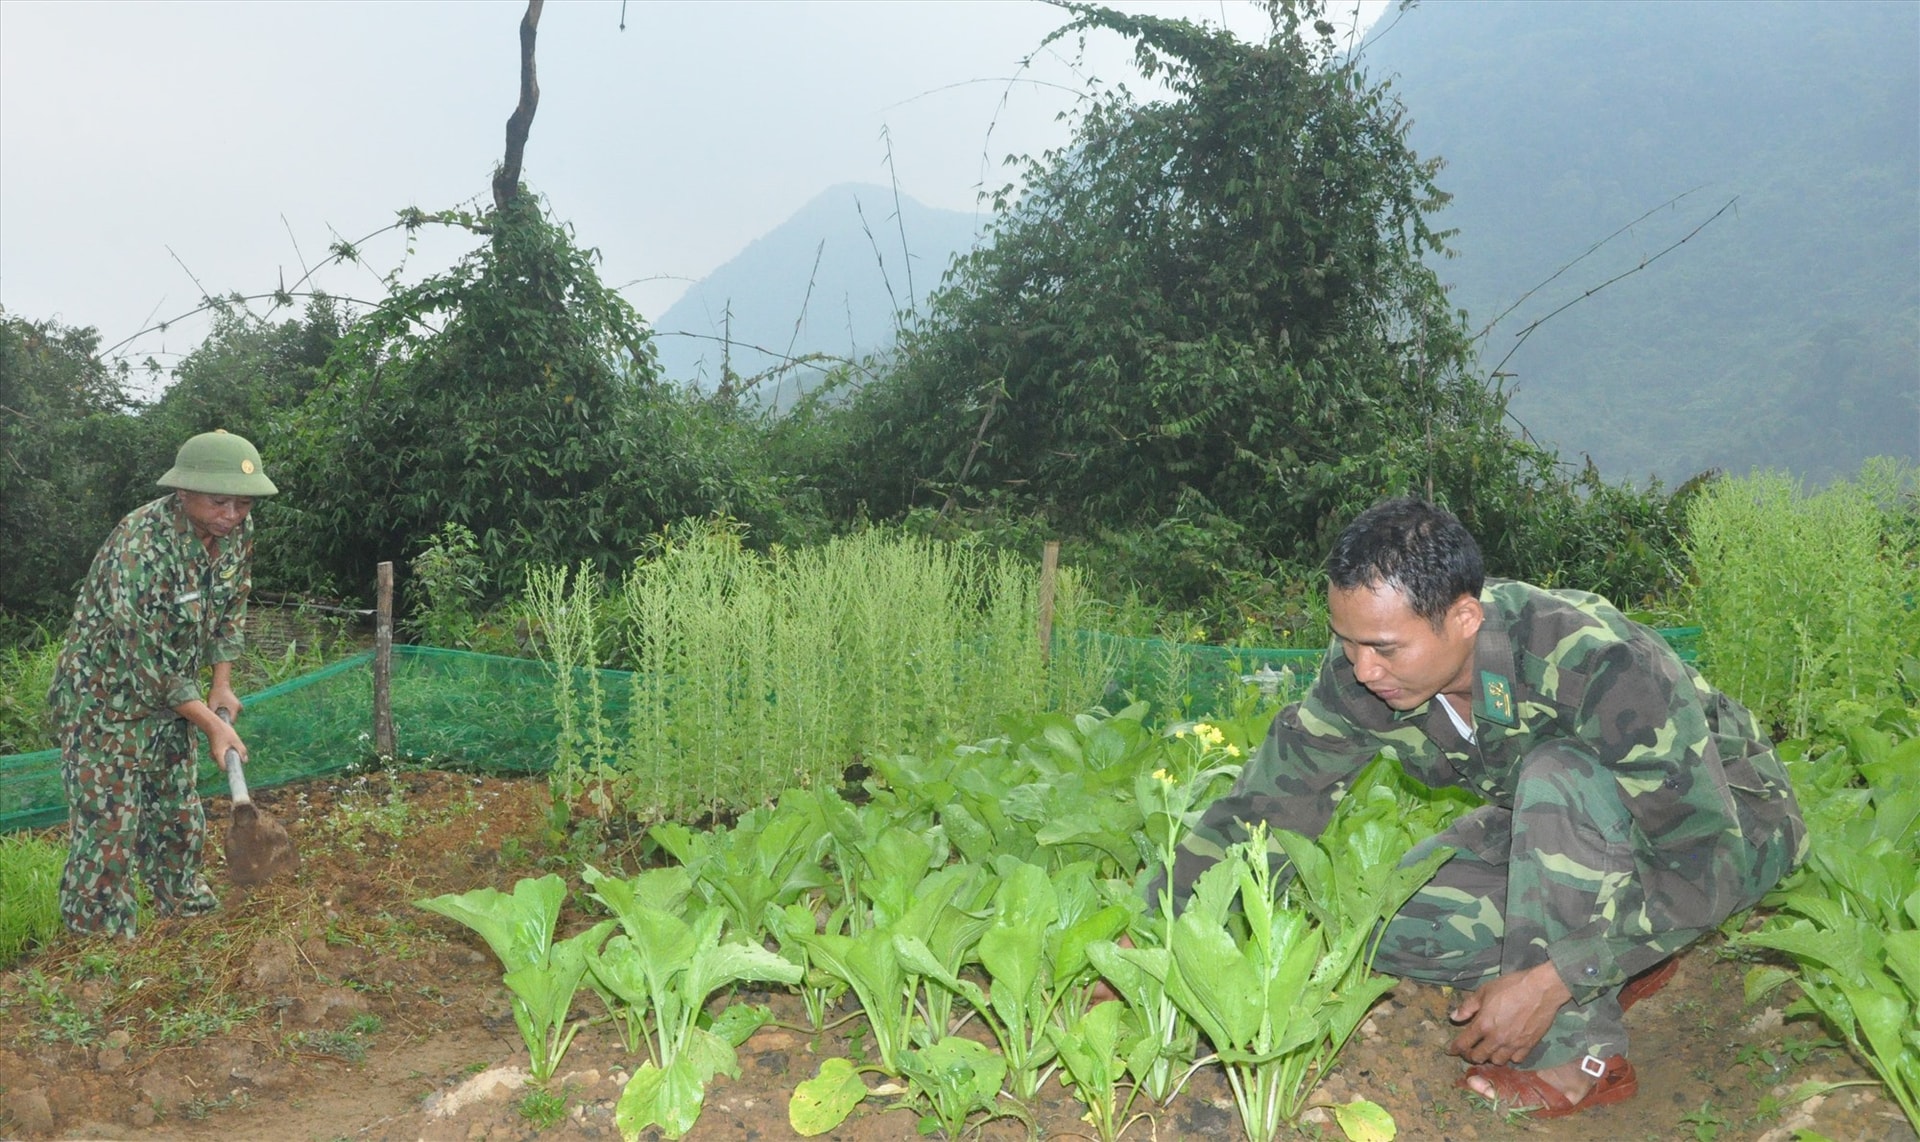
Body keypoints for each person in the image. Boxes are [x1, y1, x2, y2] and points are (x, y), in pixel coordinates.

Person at [1165, 497, 1805, 1118]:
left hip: (1724, 828)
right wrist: (1157, 941)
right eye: (1347, 641)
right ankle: (1633, 950)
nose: (1361, 669)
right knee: (1389, 925)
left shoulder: (1595, 663)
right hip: (1572, 824)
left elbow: (1706, 857)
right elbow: (1269, 804)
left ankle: (1581, 1057)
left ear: (1465, 618)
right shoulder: (1360, 672)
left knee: (1558, 770)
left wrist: (1551, 979)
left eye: (1385, 648)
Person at [50, 429, 279, 939]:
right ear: (184, 491)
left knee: (178, 811)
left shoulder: (235, 534)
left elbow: (230, 610)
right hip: (104, 701)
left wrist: (221, 685)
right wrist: (211, 727)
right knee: (110, 827)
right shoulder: (139, 544)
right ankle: (101, 941)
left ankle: (184, 910)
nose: (232, 514)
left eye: (243, 503)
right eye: (220, 501)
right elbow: (147, 661)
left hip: (175, 699)